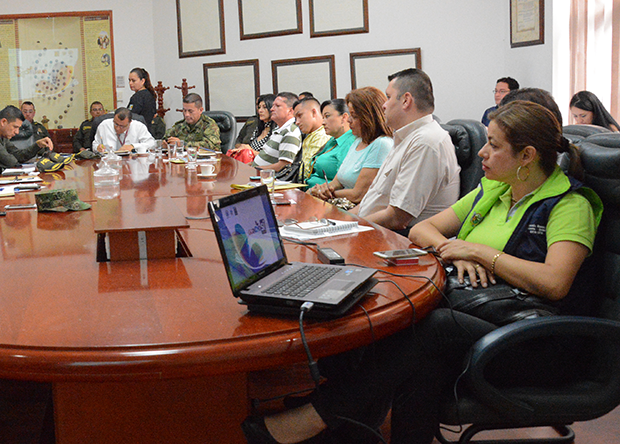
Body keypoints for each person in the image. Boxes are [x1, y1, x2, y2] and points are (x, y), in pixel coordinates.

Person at [244, 100, 602, 444]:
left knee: (433, 329)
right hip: (485, 314)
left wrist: (477, 251)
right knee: (404, 334)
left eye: (493, 146)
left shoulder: (570, 205)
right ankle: (347, 425)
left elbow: (555, 283)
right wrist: (456, 251)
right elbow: (422, 231)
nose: (482, 153)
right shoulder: (495, 190)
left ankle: (323, 416)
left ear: (527, 156)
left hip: (535, 340)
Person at [356, 69, 460, 230]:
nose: (383, 105)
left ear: (406, 100)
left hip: (396, 242)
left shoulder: (426, 142)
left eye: (388, 97)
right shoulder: (406, 138)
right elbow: (371, 203)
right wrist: (339, 222)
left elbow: (397, 218)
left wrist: (352, 228)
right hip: (373, 231)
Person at [308, 88, 393, 204]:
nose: (349, 121)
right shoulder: (358, 141)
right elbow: (337, 182)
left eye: (354, 116)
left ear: (369, 117)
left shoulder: (381, 144)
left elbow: (358, 195)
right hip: (341, 204)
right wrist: (320, 190)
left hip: (357, 210)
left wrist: (325, 194)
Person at [305, 99, 357, 188]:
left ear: (344, 117)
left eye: (327, 116)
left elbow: (343, 182)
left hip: (327, 197)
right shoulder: (333, 140)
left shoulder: (349, 142)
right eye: (323, 117)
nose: (323, 122)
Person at [251, 92, 302, 177]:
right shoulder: (278, 129)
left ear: (290, 111)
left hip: (266, 180)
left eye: (277, 106)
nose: (271, 109)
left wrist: (256, 170)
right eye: (273, 105)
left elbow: (283, 167)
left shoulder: (290, 132)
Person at [291, 97, 331, 181]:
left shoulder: (323, 135)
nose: (297, 122)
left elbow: (307, 173)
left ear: (313, 112)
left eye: (300, 116)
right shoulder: (310, 135)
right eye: (295, 118)